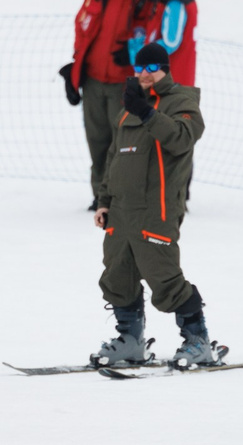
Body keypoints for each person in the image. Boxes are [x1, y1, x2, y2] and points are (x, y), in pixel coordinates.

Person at [94, 41, 223, 369]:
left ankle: (197, 341)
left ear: (165, 69)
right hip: (122, 212)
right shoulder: (130, 106)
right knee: (117, 276)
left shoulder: (181, 102)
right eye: (140, 68)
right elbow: (115, 157)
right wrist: (104, 201)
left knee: (163, 277)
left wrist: (148, 113)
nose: (145, 74)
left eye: (152, 68)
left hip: (156, 209)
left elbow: (181, 138)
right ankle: (130, 341)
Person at [62, 0, 160, 212]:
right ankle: (99, 195)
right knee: (97, 140)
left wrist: (133, 59)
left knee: (122, 142)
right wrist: (75, 69)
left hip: (124, 83)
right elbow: (83, 28)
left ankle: (115, 197)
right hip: (93, 80)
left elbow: (152, 36)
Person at [153, 0, 199, 87]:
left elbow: (171, 42)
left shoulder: (176, 0)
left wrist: (144, 51)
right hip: (180, 76)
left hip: (174, 78)